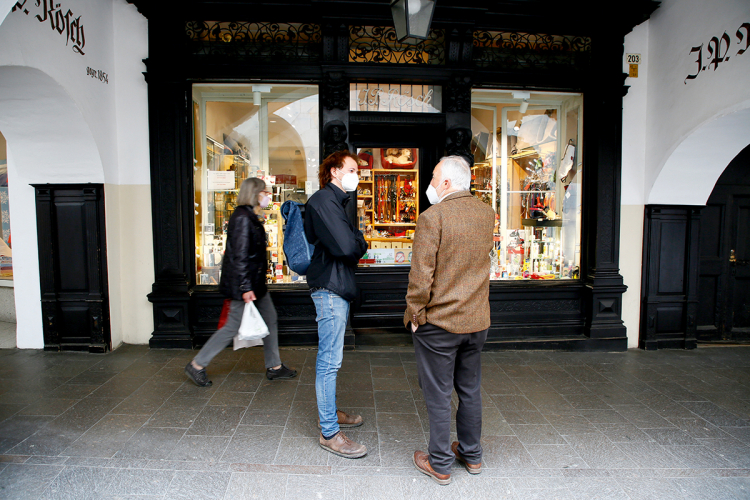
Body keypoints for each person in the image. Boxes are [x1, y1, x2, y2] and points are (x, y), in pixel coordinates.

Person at [404, 155, 495, 485]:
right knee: (469, 389)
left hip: (440, 323)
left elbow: (421, 276)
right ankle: (472, 455)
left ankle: (440, 462)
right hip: (477, 321)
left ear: (445, 183)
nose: (430, 183)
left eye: (432, 177)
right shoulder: (487, 213)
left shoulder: (433, 217)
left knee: (439, 394)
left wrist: (415, 315)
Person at [185, 177, 297, 387]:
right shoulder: (243, 218)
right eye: (264, 192)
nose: (267, 195)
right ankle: (197, 364)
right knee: (231, 326)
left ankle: (274, 366)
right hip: (243, 285)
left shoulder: (250, 216)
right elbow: (240, 256)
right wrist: (245, 287)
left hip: (254, 284)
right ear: (254, 193)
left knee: (270, 318)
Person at [305, 150, 369, 459]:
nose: (357, 173)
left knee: (332, 360)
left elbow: (353, 243)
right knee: (329, 361)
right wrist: (357, 241)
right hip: (329, 290)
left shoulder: (336, 201)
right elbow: (348, 245)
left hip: (335, 287)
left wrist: (356, 241)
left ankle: (329, 413)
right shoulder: (323, 200)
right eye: (352, 168)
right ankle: (329, 432)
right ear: (334, 171)